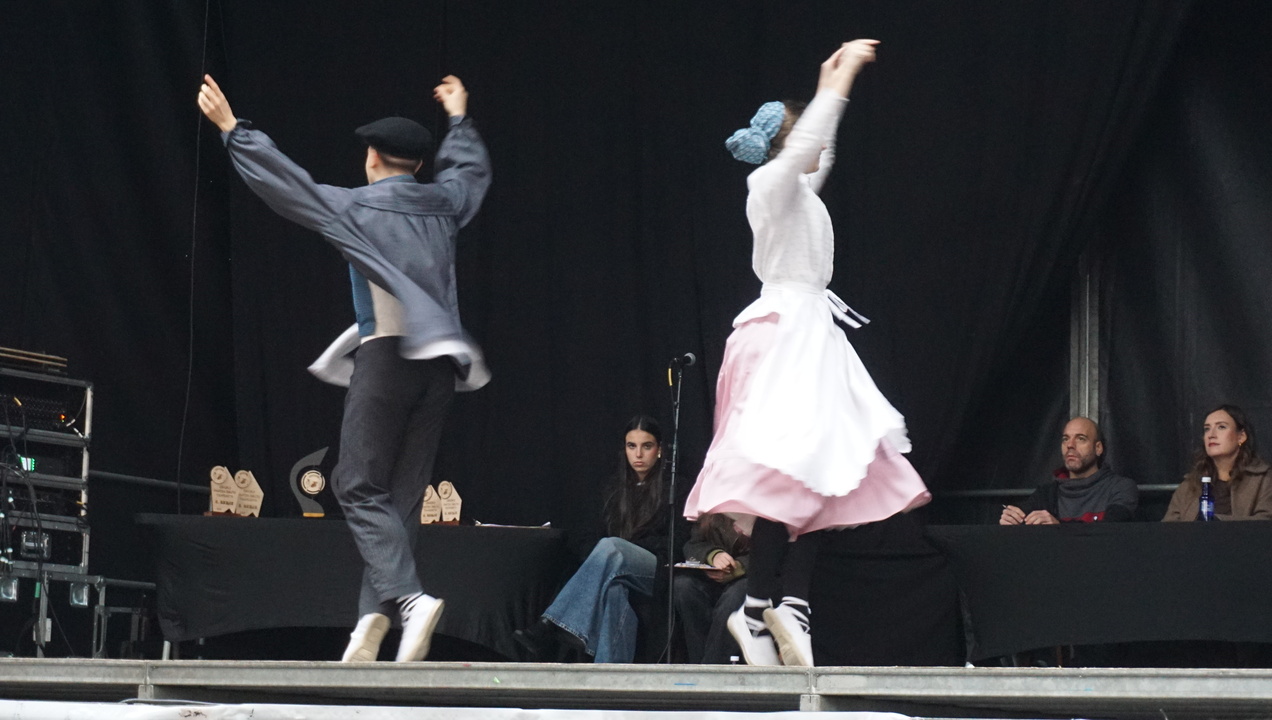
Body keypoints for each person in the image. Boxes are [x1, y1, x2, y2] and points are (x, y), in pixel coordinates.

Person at [197, 74, 492, 662]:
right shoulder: (442, 203)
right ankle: (371, 621)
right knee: (400, 498)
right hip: (440, 369)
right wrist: (459, 120)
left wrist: (233, 130)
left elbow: (289, 185)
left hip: (387, 361)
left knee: (354, 483)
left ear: (372, 158)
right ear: (417, 164)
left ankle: (409, 600)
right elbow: (469, 174)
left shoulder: (357, 206)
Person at [683, 41, 930, 668]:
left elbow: (821, 151)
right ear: (788, 143)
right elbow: (806, 147)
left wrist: (831, 86)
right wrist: (835, 88)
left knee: (825, 473)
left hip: (811, 338)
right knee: (791, 472)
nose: (817, 150)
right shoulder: (769, 185)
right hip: (780, 342)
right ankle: (764, 606)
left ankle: (776, 603)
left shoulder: (801, 194)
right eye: (806, 139)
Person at [515, 415, 673, 663]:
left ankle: (552, 624)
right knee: (614, 590)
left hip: (656, 570)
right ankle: (610, 674)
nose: (638, 454)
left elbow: (675, 543)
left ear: (660, 450)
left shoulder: (675, 488)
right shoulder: (612, 489)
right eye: (631, 446)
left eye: (647, 446)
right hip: (615, 569)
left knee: (612, 547)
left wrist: (623, 549)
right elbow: (587, 537)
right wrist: (604, 559)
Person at [1000, 416, 1138, 525]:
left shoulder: (1120, 487)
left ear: (1098, 448)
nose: (1070, 445)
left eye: (1081, 439)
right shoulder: (1046, 494)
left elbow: (1111, 532)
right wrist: (1012, 519)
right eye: (1065, 439)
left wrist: (1059, 528)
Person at [1163, 404, 1272, 521]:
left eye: (1221, 427)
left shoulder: (1264, 479)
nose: (1211, 435)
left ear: (1241, 437)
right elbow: (1169, 527)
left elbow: (1266, 522)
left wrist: (1216, 522)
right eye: (1207, 429)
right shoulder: (1189, 485)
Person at [674, 514, 750, 664]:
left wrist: (738, 567)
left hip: (748, 577)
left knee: (736, 595)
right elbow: (693, 544)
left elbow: (772, 552)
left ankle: (711, 665)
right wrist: (712, 555)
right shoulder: (712, 511)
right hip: (710, 578)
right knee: (683, 586)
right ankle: (702, 665)